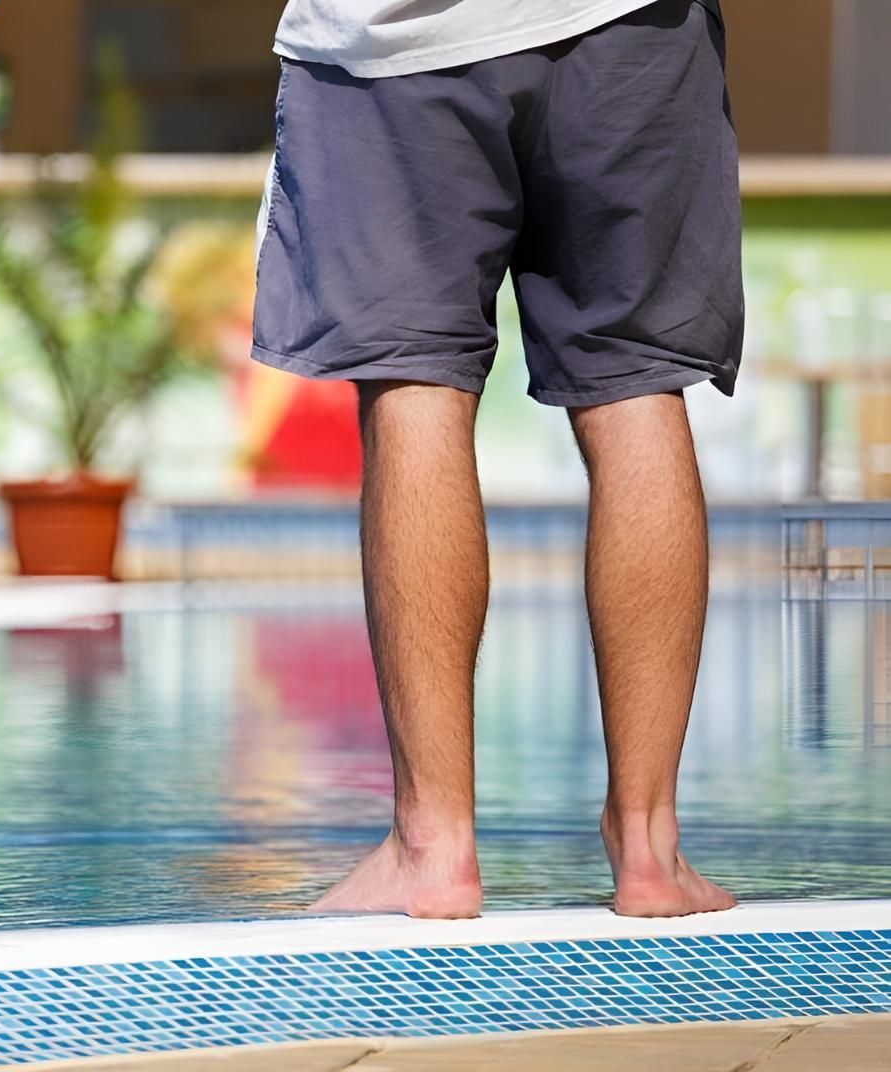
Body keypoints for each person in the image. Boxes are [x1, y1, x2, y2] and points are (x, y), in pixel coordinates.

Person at [254, 0, 742, 919]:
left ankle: (431, 848)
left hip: (398, 39)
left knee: (413, 382)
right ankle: (651, 850)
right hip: (628, 23)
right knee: (633, 388)